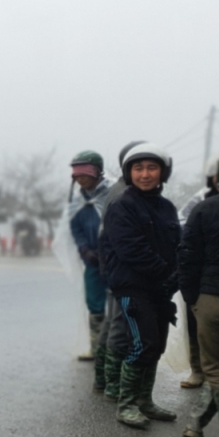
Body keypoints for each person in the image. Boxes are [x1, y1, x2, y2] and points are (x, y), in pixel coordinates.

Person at [102, 143, 181, 428]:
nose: (145, 174)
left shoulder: (166, 207)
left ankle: (145, 400)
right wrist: (167, 273)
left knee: (157, 346)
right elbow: (131, 250)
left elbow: (177, 246)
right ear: (129, 172)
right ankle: (127, 405)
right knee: (142, 344)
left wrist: (176, 276)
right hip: (134, 288)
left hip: (160, 289)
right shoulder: (123, 205)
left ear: (162, 172)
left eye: (152, 168)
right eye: (138, 168)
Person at [179, 150, 219, 437]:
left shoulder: (205, 209)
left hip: (214, 300)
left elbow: (187, 258)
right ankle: (196, 423)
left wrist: (193, 300)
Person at [94, 140, 145, 399]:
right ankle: (112, 384)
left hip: (114, 270)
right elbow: (111, 238)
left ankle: (103, 379)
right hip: (122, 272)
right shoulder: (124, 194)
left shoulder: (121, 190)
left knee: (112, 325)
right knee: (119, 326)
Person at [175, 158, 219, 388]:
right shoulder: (201, 200)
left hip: (215, 284)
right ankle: (198, 369)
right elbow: (183, 228)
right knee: (197, 327)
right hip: (205, 280)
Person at [67, 151, 112, 361]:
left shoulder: (112, 194)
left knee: (119, 305)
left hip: (115, 260)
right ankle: (97, 348)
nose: (80, 178)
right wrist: (84, 249)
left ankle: (117, 349)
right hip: (92, 260)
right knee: (94, 303)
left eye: (84, 172)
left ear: (97, 172)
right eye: (76, 174)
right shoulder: (78, 201)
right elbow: (75, 227)